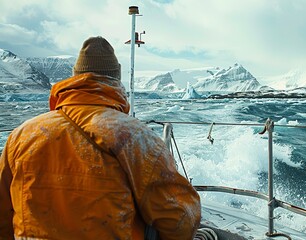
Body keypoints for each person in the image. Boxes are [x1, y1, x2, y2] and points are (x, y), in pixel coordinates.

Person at [0, 36, 201, 239]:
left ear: (74, 80)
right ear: (115, 81)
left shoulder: (22, 136)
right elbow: (180, 220)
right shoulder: (137, 139)